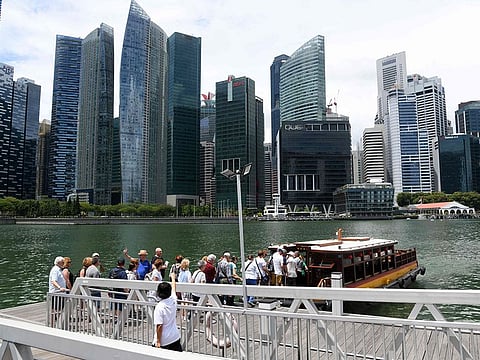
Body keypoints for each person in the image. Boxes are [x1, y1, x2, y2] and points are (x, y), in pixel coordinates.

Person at [152, 272, 182, 352]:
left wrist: (158, 341)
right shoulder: (173, 299)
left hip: (164, 340)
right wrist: (173, 278)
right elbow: (174, 288)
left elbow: (159, 326)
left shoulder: (160, 307)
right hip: (175, 336)